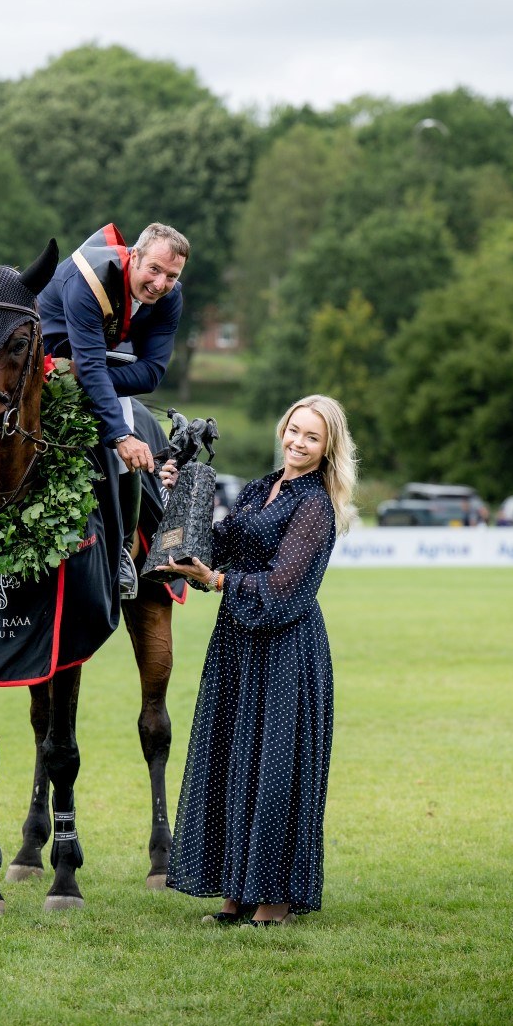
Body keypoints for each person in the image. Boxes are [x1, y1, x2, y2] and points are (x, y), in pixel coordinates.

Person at [158, 394, 358, 926]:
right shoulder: (259, 489)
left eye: (311, 437)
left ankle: (274, 902)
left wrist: (217, 581)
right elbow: (213, 544)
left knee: (275, 769)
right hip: (237, 646)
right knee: (234, 761)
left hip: (287, 650)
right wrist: (182, 495)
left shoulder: (315, 506)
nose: (297, 442)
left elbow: (283, 589)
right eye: (294, 430)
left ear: (327, 448)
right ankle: (235, 896)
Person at [38, 221, 188, 594]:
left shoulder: (171, 297)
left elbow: (151, 373)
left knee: (123, 426)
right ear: (133, 256)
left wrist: (96, 382)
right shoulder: (89, 278)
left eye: (171, 275)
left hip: (93, 366)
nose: (160, 283)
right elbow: (90, 366)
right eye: (154, 269)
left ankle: (122, 550)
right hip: (37, 360)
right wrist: (120, 435)